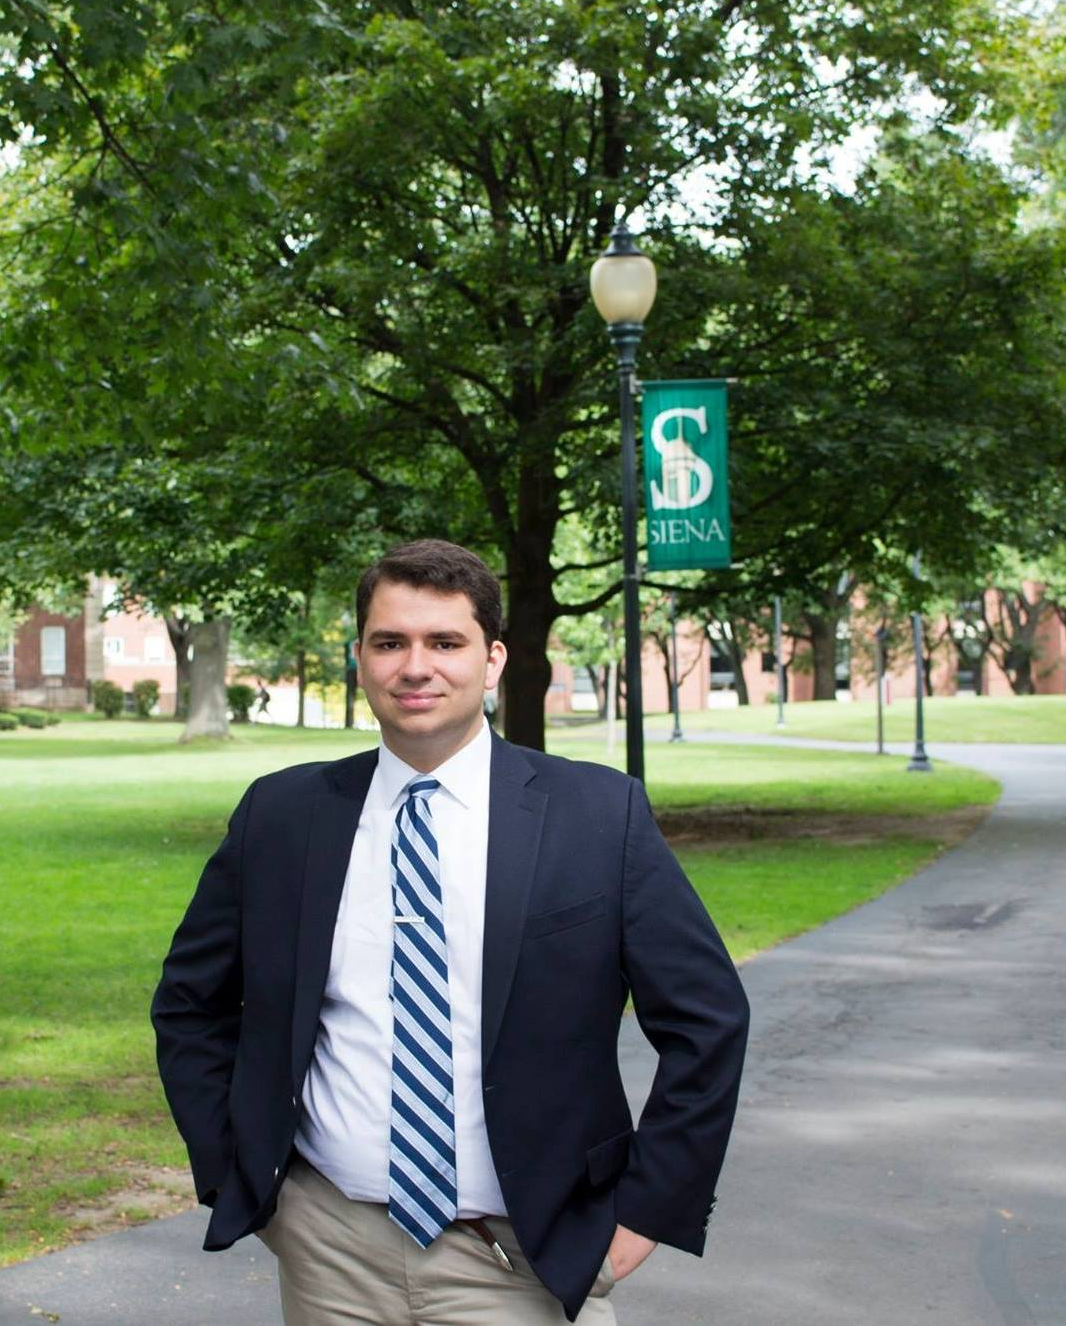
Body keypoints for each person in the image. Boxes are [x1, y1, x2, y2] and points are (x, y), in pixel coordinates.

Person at [152, 539, 748, 1324]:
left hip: (524, 1255)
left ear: (493, 659)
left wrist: (649, 1209)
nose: (414, 665)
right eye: (390, 641)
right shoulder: (282, 815)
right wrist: (240, 1178)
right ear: (360, 657)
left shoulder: (599, 817)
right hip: (331, 1247)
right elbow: (190, 1004)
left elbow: (707, 1020)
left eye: (444, 642)